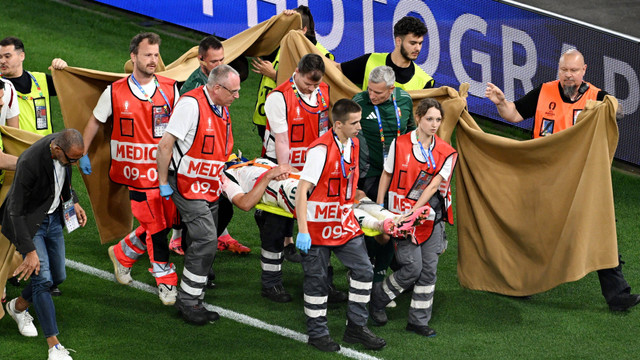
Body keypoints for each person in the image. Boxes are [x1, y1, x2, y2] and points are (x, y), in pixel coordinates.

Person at [485, 48, 640, 311]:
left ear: (584, 71)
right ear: (559, 70)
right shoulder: (544, 91)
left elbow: (620, 111)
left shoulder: (596, 96)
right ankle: (521, 285)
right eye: (564, 70)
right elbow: (513, 114)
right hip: (542, 181)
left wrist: (609, 106)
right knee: (532, 236)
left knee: (601, 231)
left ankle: (617, 296)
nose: (568, 76)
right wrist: (501, 102)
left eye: (573, 71)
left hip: (579, 183)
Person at [80, 32, 180, 306]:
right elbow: (94, 122)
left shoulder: (171, 89)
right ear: (133, 56)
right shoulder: (114, 91)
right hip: (135, 175)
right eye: (148, 55)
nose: (153, 60)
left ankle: (123, 254)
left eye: (156, 55)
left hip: (163, 172)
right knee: (157, 226)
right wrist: (83, 152)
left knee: (164, 220)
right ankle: (165, 279)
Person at [295, 99, 386, 352]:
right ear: (338, 125)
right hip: (315, 228)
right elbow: (302, 191)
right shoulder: (320, 150)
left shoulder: (354, 144)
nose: (359, 126)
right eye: (354, 123)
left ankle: (355, 327)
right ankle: (317, 334)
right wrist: (302, 231)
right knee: (317, 280)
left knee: (364, 270)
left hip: (343, 224)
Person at [156, 64, 239, 325]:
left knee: (201, 240)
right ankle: (189, 301)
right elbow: (165, 145)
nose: (237, 96)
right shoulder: (191, 105)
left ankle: (195, 295)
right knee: (205, 238)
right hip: (186, 183)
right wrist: (162, 182)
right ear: (217, 88)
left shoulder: (221, 109)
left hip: (207, 184)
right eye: (233, 91)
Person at [370, 98, 456, 338]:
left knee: (429, 271)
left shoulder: (447, 153)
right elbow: (387, 174)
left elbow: (433, 186)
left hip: (428, 218)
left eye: (438, 120)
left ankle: (418, 320)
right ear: (418, 118)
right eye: (429, 119)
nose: (434, 124)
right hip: (402, 217)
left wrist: (414, 211)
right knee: (412, 268)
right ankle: (379, 297)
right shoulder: (400, 144)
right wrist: (379, 208)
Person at [2, 129, 88, 360]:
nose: (75, 163)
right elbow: (15, 211)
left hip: (52, 219)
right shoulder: (30, 162)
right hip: (30, 224)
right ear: (57, 149)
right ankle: (54, 347)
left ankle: (17, 307)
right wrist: (29, 250)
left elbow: (62, 181)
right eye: (73, 159)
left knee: (58, 276)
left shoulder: (63, 148)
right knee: (42, 279)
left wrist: (73, 201)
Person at [259, 53, 334, 300]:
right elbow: (281, 139)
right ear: (298, 71)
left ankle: (322, 280)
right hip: (283, 164)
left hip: (313, 166)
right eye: (307, 84)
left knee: (317, 221)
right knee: (276, 225)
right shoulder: (279, 97)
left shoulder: (323, 90)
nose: (311, 88)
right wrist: (285, 171)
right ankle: (270, 282)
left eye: (315, 84)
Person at [175, 35, 250, 256]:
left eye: (222, 60)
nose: (220, 65)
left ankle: (211, 238)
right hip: (195, 160)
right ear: (201, 61)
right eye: (214, 62)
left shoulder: (219, 82)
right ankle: (179, 241)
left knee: (217, 204)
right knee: (205, 204)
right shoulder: (195, 90)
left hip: (211, 156)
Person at [353, 65, 416, 293]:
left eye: (378, 93)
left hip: (399, 177)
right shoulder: (358, 102)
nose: (372, 95)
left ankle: (387, 271)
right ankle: (370, 271)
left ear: (392, 89)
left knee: (395, 226)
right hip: (370, 175)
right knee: (379, 229)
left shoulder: (405, 100)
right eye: (370, 90)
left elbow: (411, 132)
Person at [251, 6, 334, 140]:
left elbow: (316, 88)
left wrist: (274, 75)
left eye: (288, 28)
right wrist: (280, 19)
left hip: (299, 119)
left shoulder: (322, 55)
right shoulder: (283, 44)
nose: (284, 32)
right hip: (268, 116)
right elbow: (263, 42)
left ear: (303, 30)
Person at [338, 16, 434, 91]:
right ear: (398, 41)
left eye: (420, 43)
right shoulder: (369, 61)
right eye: (412, 43)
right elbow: (336, 71)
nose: (418, 48)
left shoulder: (425, 82)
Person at [0, 37, 68, 134]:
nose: (2, 61)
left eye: (7, 56)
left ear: (22, 56)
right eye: (0, 57)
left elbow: (70, 89)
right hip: (15, 147)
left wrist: (64, 71)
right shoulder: (1, 86)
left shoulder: (41, 79)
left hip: (44, 146)